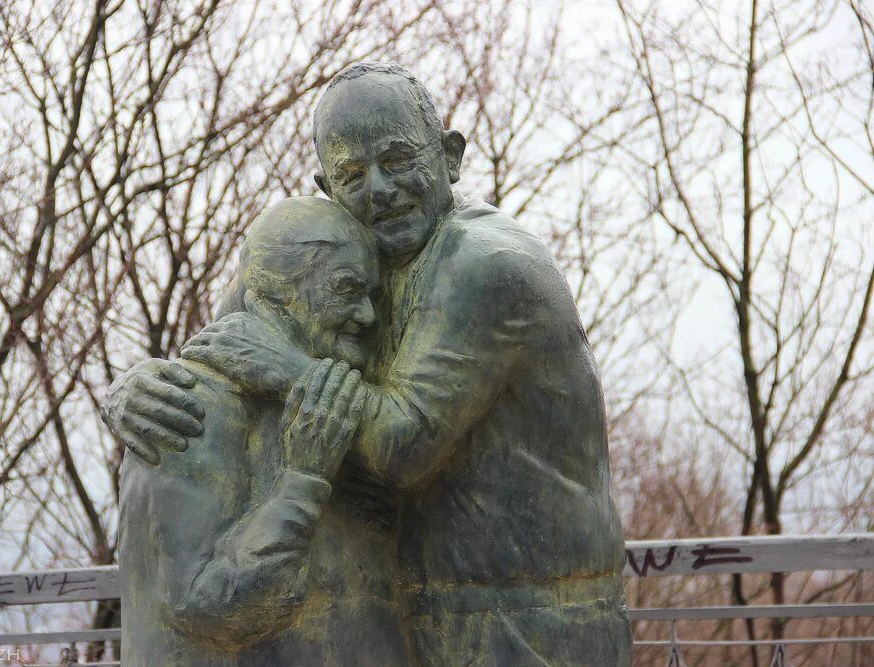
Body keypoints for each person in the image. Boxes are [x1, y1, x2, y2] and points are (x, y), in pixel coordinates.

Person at [111, 62, 633, 665]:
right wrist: (135, 386)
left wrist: (289, 369)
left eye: (398, 159)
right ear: (327, 188)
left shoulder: (486, 264)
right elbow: (234, 340)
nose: (379, 189)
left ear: (450, 156)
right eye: (352, 175)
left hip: (531, 618)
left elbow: (402, 445)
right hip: (419, 616)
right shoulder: (340, 254)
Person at [107, 197, 410, 666]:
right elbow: (207, 606)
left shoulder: (332, 397)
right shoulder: (189, 405)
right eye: (346, 290)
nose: (368, 316)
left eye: (372, 296)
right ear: (274, 292)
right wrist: (302, 482)